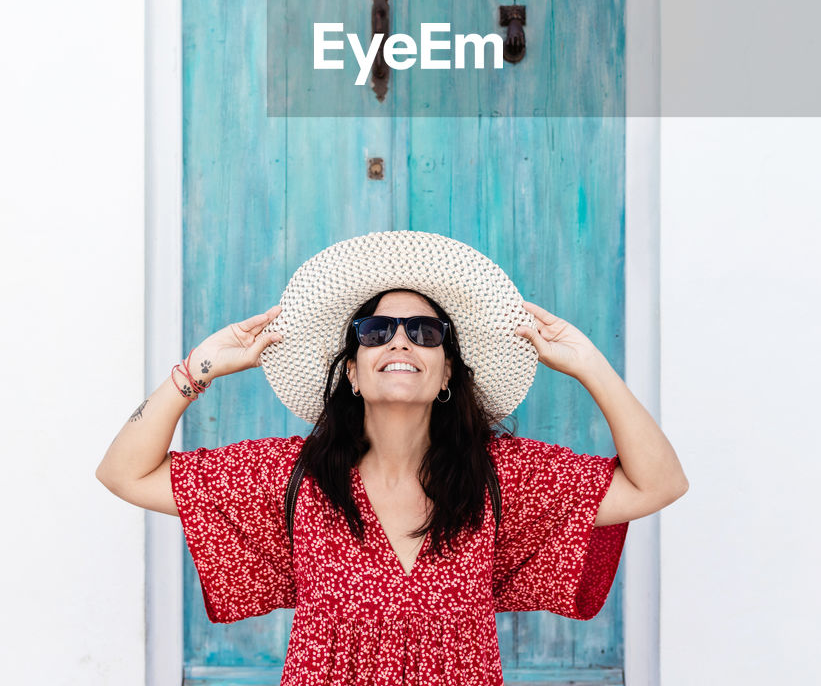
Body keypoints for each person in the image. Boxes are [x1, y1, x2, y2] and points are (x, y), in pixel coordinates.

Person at [96, 230, 688, 685]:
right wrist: (197, 368)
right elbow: (124, 472)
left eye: (425, 333)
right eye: (376, 330)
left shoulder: (501, 478)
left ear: (446, 371)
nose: (400, 341)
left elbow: (657, 484)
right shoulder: (292, 478)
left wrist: (590, 365)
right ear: (351, 370)